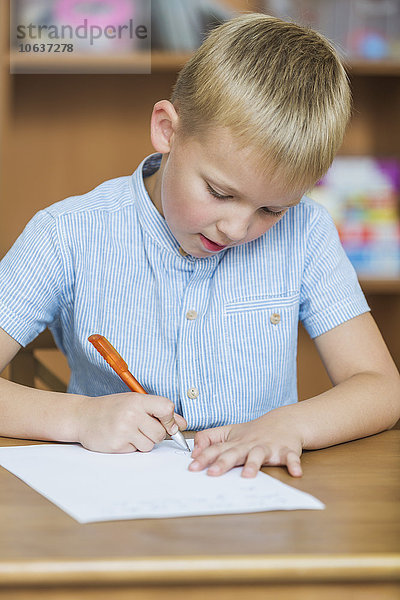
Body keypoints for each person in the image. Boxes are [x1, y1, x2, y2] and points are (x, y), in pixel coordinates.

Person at [0, 14, 399, 479]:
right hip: (113, 507)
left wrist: (290, 424)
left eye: (272, 210)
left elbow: (381, 387)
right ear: (167, 130)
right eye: (220, 193)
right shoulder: (67, 234)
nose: (236, 228)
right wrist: (79, 417)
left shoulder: (306, 232)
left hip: (257, 504)